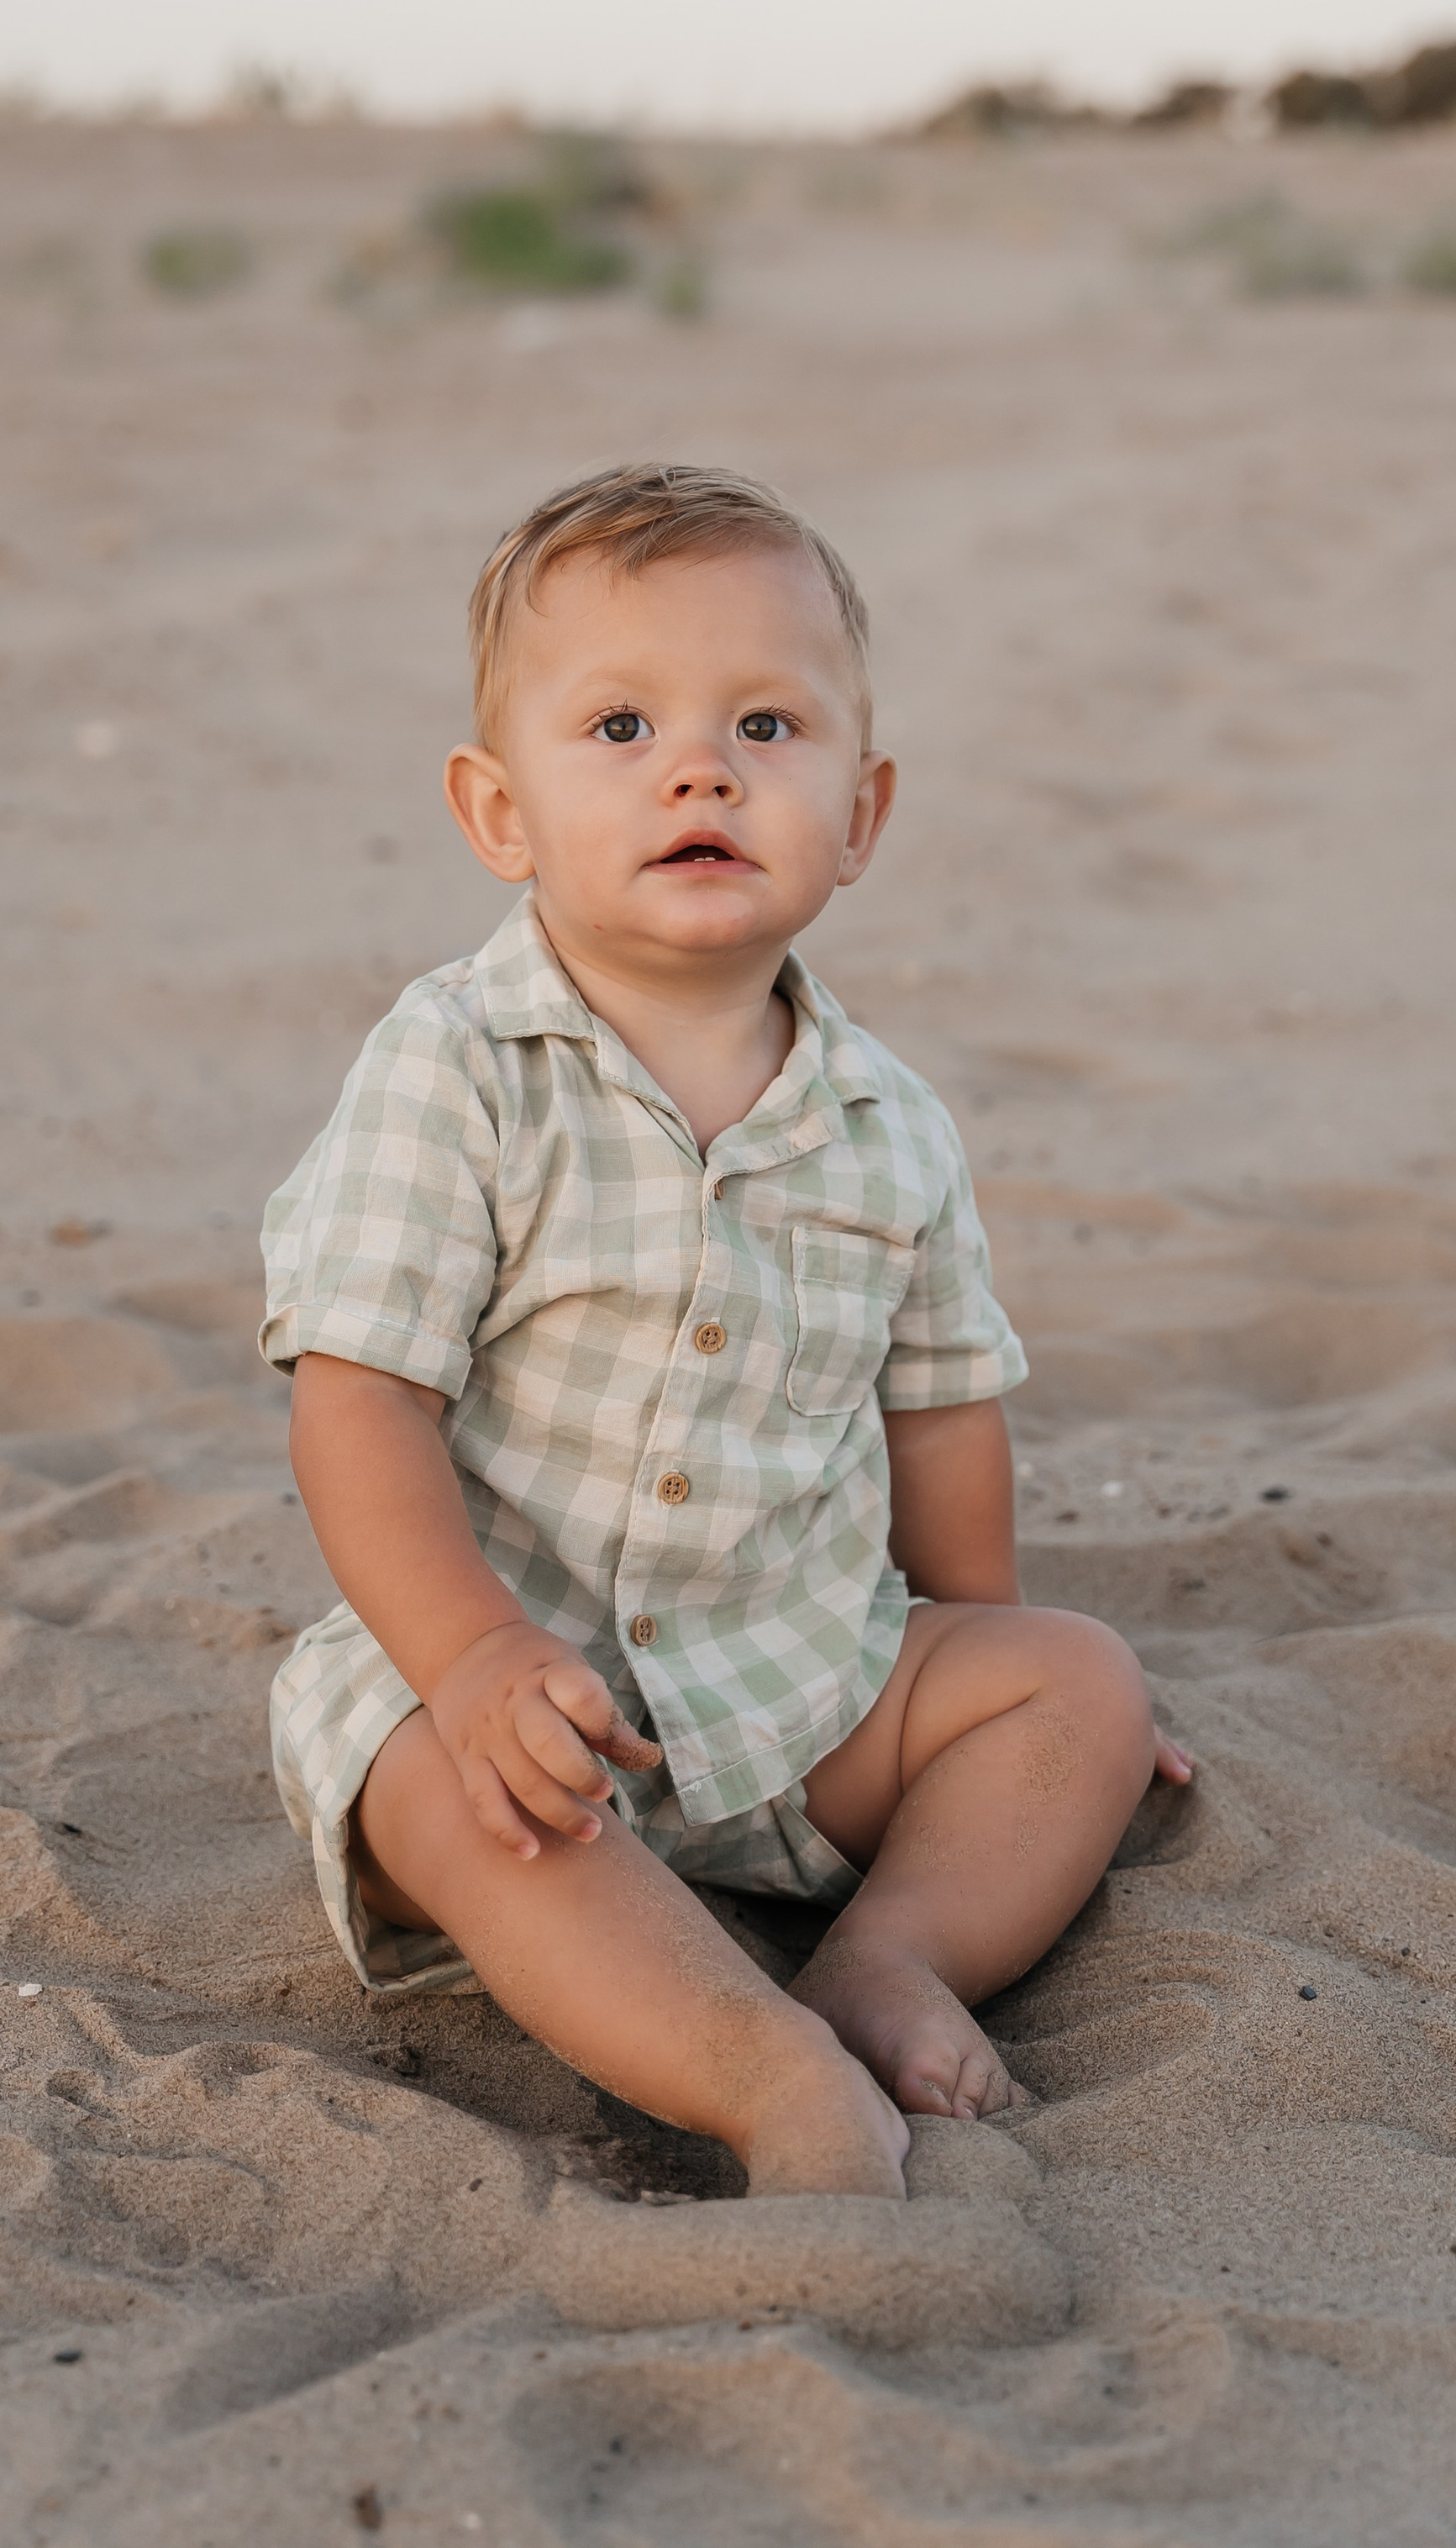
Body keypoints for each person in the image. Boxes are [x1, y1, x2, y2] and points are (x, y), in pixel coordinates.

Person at [262, 462, 1190, 2198]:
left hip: (799, 1679)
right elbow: (358, 1402)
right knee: (455, 1797)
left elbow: (939, 1414)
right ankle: (760, 2072)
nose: (700, 768)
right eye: (618, 727)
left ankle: (887, 1953)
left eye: (767, 726)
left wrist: (965, 1682)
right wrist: (461, 1659)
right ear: (498, 813)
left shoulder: (887, 1123)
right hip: (507, 1679)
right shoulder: (451, 1071)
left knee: (1074, 1680)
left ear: (860, 813)